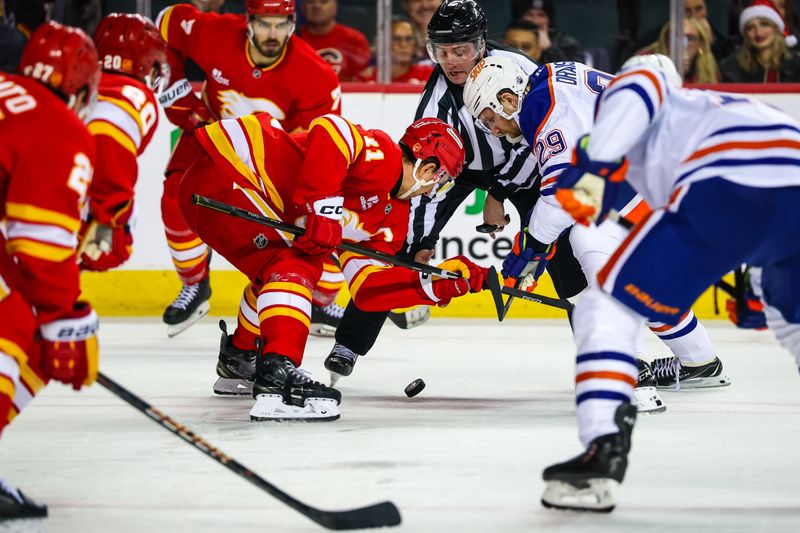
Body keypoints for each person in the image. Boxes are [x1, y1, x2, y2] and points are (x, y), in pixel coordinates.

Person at [540, 55, 800, 512]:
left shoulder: (635, 103)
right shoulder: (686, 133)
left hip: (725, 178)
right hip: (782, 192)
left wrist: (595, 161)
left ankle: (603, 449)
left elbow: (649, 72)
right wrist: (758, 282)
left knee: (607, 309)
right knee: (792, 323)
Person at [324, 0, 586, 388]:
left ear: (481, 44)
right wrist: (422, 241)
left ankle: (606, 353)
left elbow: (539, 143)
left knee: (563, 248)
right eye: (441, 52)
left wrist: (498, 191)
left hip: (527, 168)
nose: (451, 60)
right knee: (401, 244)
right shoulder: (434, 103)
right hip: (459, 169)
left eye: (460, 49)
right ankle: (349, 342)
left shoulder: (518, 71)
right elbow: (426, 178)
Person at [177, 113, 485, 420]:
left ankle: (240, 357)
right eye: (440, 181)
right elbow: (330, 129)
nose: (433, 190)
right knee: (298, 264)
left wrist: (433, 286)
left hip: (231, 196)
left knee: (278, 271)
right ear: (429, 168)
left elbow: (368, 290)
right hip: (231, 169)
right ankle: (279, 374)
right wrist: (323, 209)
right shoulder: (383, 155)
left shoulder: (393, 219)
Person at [463, 54, 729, 408]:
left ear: (507, 100)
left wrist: (531, 244)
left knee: (591, 238)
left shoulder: (546, 108)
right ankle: (700, 362)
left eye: (490, 119)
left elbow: (563, 197)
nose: (493, 130)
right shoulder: (553, 77)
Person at [155, 0, 343, 339]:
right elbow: (164, 23)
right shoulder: (214, 33)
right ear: (248, 22)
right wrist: (175, 91)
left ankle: (317, 299)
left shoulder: (316, 75)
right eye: (264, 24)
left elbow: (317, 147)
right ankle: (195, 285)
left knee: (305, 232)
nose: (272, 34)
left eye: (280, 24)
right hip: (209, 134)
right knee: (174, 199)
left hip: (272, 158)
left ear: (292, 23)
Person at [0, 21, 101, 519]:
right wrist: (65, 317)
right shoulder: (57, 125)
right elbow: (40, 243)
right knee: (24, 324)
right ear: (82, 87)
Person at [79, 13, 168, 272]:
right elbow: (108, 139)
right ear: (147, 64)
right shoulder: (136, 94)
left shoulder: (77, 79)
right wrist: (110, 219)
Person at [720, 0, 800, 82]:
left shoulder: (797, 63)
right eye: (750, 28)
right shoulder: (731, 67)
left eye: (764, 24)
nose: (758, 33)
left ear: (776, 29)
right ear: (745, 35)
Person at [297, 0, 372, 82]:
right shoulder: (291, 40)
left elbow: (364, 83)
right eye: (310, 1)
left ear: (335, 7)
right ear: (302, 7)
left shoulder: (354, 40)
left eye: (324, 2)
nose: (316, 6)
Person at [637, 17, 720, 83]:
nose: (683, 44)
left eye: (690, 38)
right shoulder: (645, 60)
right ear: (666, 41)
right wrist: (670, 70)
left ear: (700, 44)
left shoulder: (708, 69)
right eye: (677, 37)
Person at [358, 16, 433, 84]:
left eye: (409, 39)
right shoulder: (367, 78)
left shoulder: (427, 75)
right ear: (383, 43)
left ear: (415, 43)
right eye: (396, 39)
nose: (403, 44)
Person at [509, 0, 584, 63]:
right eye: (530, 14)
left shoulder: (566, 43)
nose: (535, 20)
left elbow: (575, 73)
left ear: (549, 20)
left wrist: (549, 49)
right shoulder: (506, 39)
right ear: (519, 18)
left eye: (541, 15)